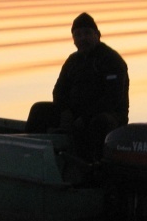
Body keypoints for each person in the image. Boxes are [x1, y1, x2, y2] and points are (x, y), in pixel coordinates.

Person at [26, 13, 129, 161]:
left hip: (108, 116)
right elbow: (59, 91)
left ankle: (93, 168)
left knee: (99, 122)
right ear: (73, 39)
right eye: (78, 35)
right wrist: (65, 111)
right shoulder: (73, 61)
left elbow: (112, 99)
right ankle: (31, 157)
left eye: (87, 33)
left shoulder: (112, 60)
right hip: (74, 113)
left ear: (97, 35)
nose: (83, 38)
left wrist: (84, 117)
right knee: (39, 110)